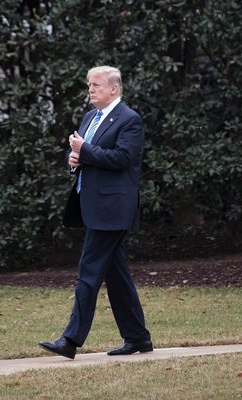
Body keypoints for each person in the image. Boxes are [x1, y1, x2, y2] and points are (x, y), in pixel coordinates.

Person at [38, 66, 152, 359]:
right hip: (95, 208)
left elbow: (123, 158)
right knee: (116, 276)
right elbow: (81, 153)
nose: (90, 89)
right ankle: (138, 337)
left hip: (112, 209)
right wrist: (73, 158)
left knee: (88, 272)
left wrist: (84, 150)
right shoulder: (91, 117)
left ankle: (70, 339)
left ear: (114, 89)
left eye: (96, 85)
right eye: (89, 84)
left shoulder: (129, 119)